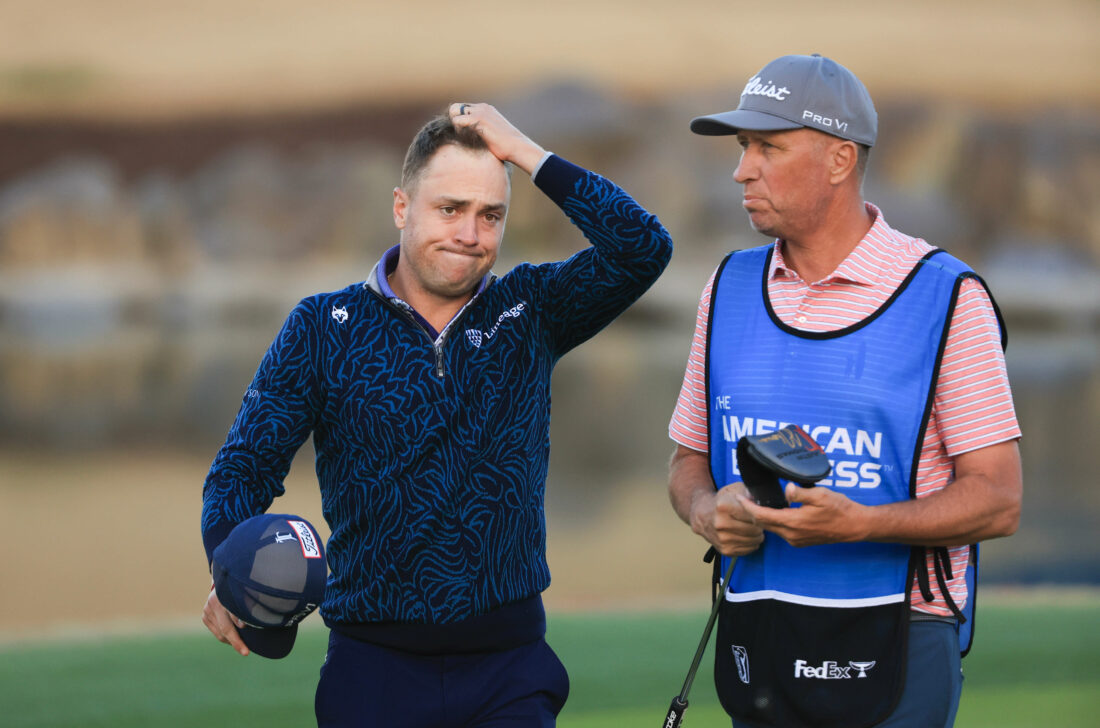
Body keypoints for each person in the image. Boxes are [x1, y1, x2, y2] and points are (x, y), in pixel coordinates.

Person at [201, 102, 672, 727]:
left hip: (511, 671)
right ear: (402, 207)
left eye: (491, 215)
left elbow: (643, 248)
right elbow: (241, 471)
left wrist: (528, 153)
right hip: (372, 673)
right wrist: (231, 570)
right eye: (450, 209)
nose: (470, 234)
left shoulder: (531, 308)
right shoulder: (322, 328)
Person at [667, 54, 1022, 728]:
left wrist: (862, 524)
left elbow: (999, 500)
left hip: (897, 642)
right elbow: (686, 460)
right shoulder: (728, 286)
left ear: (839, 160)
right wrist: (707, 510)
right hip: (759, 633)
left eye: (768, 147)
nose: (742, 169)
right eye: (744, 147)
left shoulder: (947, 297)